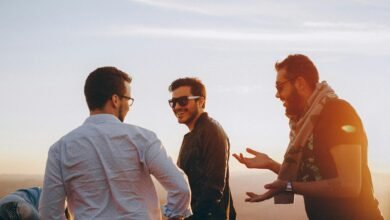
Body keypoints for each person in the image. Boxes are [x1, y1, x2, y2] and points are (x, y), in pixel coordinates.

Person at [233, 54, 383, 219]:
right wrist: (271, 164)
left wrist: (288, 186)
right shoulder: (305, 125)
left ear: (299, 83)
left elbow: (349, 185)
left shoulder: (338, 112)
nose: (277, 95)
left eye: (279, 86)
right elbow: (313, 177)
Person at [40, 67, 192, 220]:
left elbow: (49, 213)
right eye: (128, 100)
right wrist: (174, 216)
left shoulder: (60, 149)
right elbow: (180, 188)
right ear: (115, 100)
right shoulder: (142, 138)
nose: (128, 107)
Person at [168, 77, 236, 220]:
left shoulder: (211, 131)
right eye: (173, 103)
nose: (177, 107)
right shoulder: (193, 135)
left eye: (183, 101)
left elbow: (214, 188)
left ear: (201, 101)